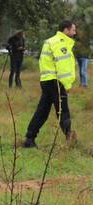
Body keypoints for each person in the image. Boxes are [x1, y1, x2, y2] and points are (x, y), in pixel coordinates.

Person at [23, 20, 78, 148]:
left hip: (47, 80)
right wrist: (67, 85)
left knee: (42, 111)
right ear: (66, 30)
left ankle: (29, 138)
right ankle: (69, 138)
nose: (75, 32)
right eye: (73, 30)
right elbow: (62, 66)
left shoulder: (51, 41)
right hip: (56, 82)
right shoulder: (60, 43)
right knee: (63, 111)